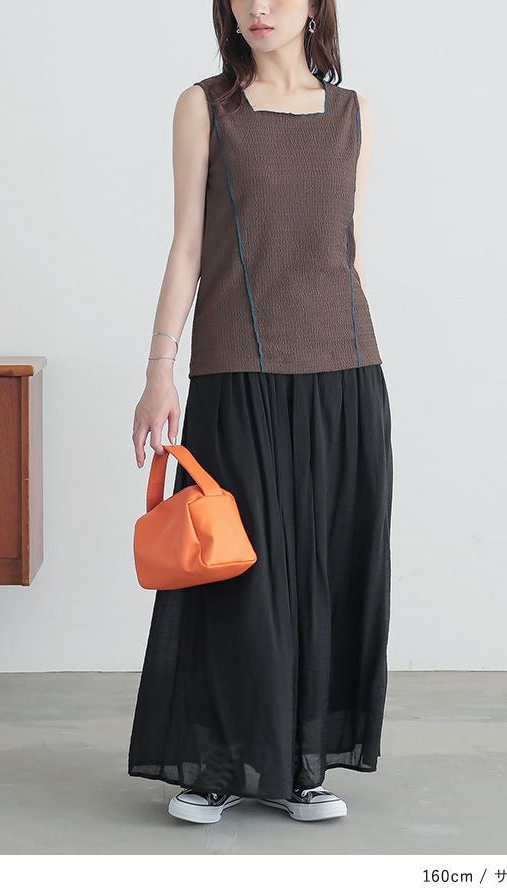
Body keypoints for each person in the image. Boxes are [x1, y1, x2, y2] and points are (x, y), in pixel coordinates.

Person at [128, 0, 393, 825]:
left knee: (326, 568)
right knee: (233, 571)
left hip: (345, 370)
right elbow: (187, 245)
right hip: (236, 368)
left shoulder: (351, 114)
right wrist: (160, 370)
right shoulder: (206, 106)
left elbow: (348, 247)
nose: (260, 7)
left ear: (315, 6)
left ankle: (301, 764)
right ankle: (217, 764)